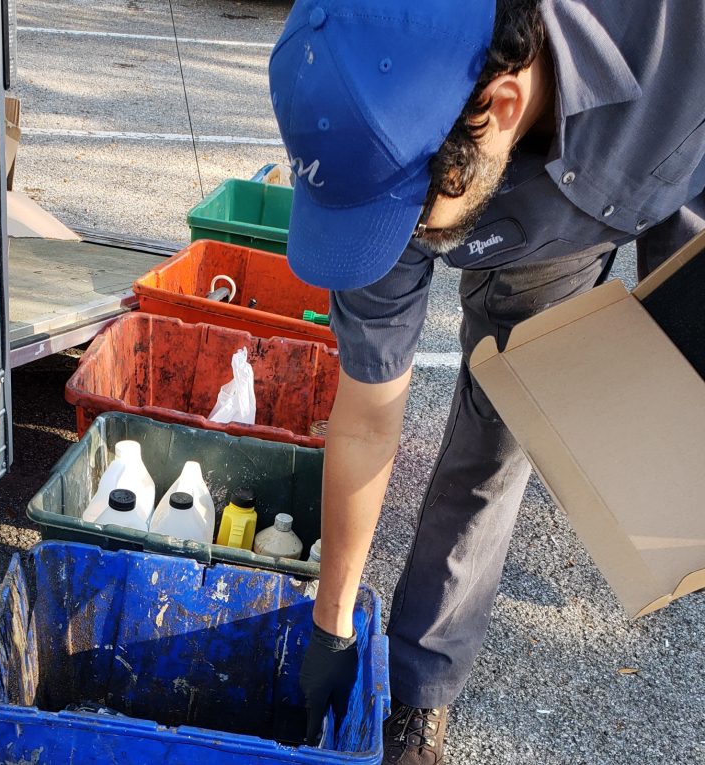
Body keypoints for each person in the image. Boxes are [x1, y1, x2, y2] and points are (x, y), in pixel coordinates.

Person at [268, 0, 705, 762]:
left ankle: (422, 682)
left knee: (499, 436)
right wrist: (330, 628)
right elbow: (370, 413)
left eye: (400, 216)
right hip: (443, 160)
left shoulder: (679, 37)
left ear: (499, 106)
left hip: (615, 186)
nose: (394, 242)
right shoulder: (378, 115)